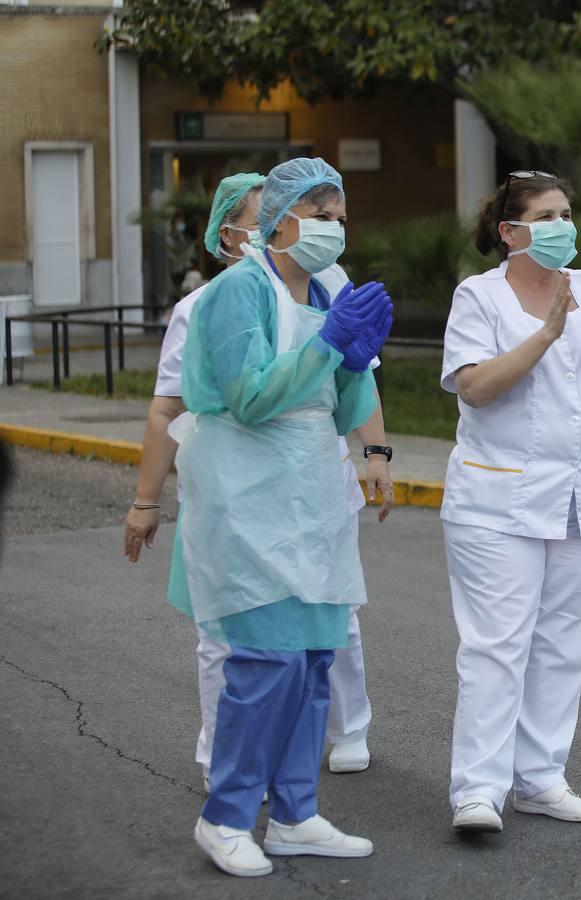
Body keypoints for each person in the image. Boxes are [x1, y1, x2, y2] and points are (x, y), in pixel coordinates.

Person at [124, 173, 391, 790]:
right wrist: (146, 501)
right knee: (234, 634)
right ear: (258, 224)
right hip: (238, 489)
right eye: (312, 212)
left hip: (311, 481)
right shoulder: (215, 302)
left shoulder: (328, 288)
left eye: (339, 217)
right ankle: (229, 770)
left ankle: (310, 778)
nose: (329, 227)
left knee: (324, 624)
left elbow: (354, 382)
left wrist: (374, 449)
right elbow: (191, 406)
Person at [440, 171, 581, 834]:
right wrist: (545, 335)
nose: (563, 225)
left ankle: (539, 777)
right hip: (497, 501)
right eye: (547, 215)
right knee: (496, 646)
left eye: (566, 213)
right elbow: (474, 388)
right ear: (510, 231)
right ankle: (478, 788)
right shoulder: (480, 297)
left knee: (566, 645)